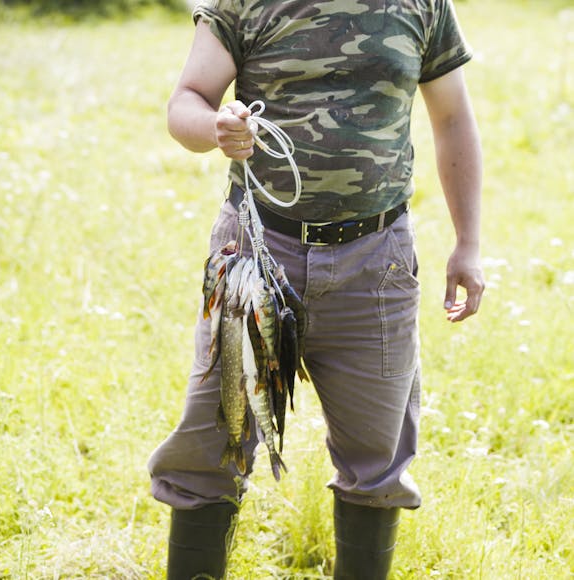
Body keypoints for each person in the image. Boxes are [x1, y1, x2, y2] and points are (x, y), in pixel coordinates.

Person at [148, 1, 485, 578]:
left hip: (375, 262)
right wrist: (215, 128)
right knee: (209, 452)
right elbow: (187, 99)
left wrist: (468, 243)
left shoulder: (423, 5)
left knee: (377, 466)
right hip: (257, 255)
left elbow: (452, 117)